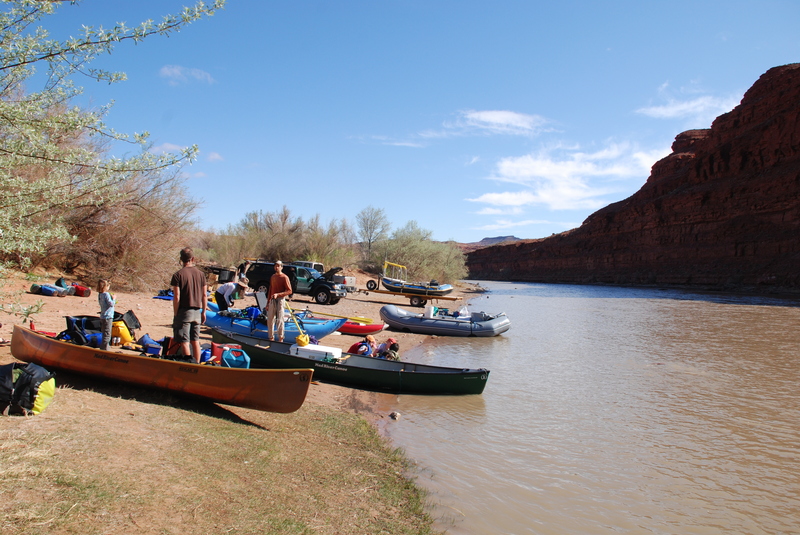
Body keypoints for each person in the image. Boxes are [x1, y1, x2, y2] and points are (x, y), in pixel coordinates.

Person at [170, 247, 208, 362]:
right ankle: (196, 364)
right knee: (195, 341)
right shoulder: (201, 275)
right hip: (197, 312)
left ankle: (188, 365)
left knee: (184, 342)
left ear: (181, 259)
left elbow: (177, 297)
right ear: (193, 258)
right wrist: (204, 312)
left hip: (184, 312)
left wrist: (176, 313)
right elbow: (204, 295)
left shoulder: (178, 275)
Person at [266, 260, 293, 342]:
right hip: (272, 299)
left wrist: (278, 294)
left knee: (280, 319)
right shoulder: (273, 277)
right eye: (275, 266)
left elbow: (289, 291)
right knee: (270, 319)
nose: (277, 267)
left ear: (281, 267)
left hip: (280, 299)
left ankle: (280, 338)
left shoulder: (285, 277)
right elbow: (270, 289)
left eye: (278, 266)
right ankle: (271, 337)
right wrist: (267, 303)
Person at [97, 279, 114, 350]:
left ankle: (103, 348)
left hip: (102, 316)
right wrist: (114, 299)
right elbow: (111, 304)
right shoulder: (106, 294)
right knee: (107, 335)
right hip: (108, 317)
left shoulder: (100, 295)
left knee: (104, 333)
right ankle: (105, 350)